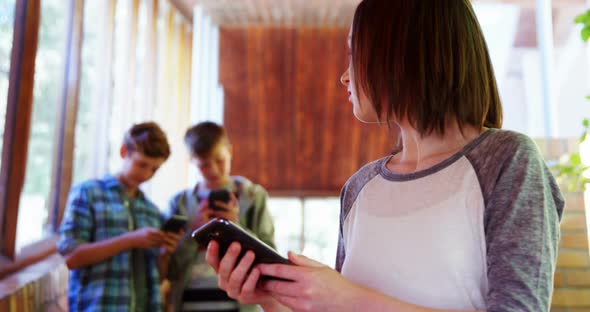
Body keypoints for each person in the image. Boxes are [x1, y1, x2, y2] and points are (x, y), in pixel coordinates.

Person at [204, 1, 565, 311]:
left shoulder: (507, 160)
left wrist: (348, 299)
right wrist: (272, 298)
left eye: (353, 53)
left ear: (400, 51)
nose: (345, 77)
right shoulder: (359, 187)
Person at [57, 122, 183, 312]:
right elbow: (71, 257)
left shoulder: (151, 211)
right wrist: (130, 240)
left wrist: (165, 254)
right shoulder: (88, 193)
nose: (146, 174)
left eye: (154, 169)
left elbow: (158, 277)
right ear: (124, 152)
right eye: (141, 164)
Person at [163, 121, 276, 312]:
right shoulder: (179, 203)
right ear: (191, 160)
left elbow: (270, 256)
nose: (213, 170)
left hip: (241, 305)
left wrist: (236, 228)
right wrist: (193, 233)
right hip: (188, 303)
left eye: (219, 160)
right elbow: (171, 270)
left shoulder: (254, 197)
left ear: (230, 151)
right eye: (204, 164)